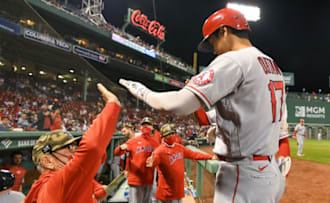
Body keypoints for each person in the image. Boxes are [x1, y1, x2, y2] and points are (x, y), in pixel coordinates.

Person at [120, 8, 285, 202]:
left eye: (212, 41)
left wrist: (141, 91)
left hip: (243, 175)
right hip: (270, 172)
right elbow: (250, 112)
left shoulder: (235, 60)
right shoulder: (272, 65)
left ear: (224, 31)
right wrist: (222, 126)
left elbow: (177, 105)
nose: (213, 49)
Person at [24, 83, 121, 203]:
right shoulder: (55, 183)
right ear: (47, 161)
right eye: (68, 147)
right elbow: (92, 147)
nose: (74, 151)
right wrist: (112, 105)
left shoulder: (45, 186)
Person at [146, 124, 212, 202]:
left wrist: (210, 157)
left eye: (172, 133)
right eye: (168, 135)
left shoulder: (179, 147)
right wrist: (152, 163)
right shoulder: (159, 151)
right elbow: (154, 161)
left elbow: (194, 154)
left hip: (178, 190)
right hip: (167, 193)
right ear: (163, 137)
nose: (171, 136)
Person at [116, 120, 160, 203]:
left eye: (124, 131)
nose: (123, 133)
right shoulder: (133, 140)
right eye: (144, 125)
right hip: (136, 178)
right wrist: (126, 169)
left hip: (149, 178)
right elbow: (122, 154)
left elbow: (159, 157)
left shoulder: (153, 141)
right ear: (140, 127)